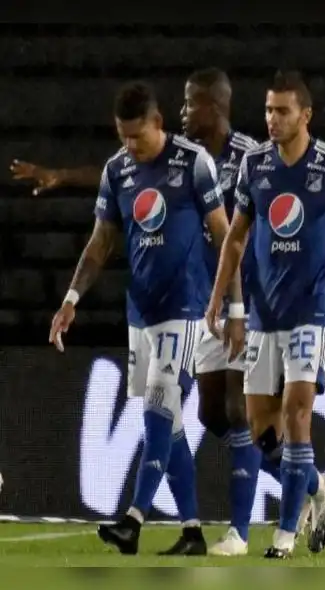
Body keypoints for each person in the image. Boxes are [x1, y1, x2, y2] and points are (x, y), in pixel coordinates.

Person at [12, 69, 322, 554]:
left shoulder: (247, 155)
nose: (182, 111)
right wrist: (66, 178)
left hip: (244, 299)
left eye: (190, 103)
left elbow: (263, 218)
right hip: (202, 301)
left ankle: (228, 531)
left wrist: (259, 294)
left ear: (215, 106)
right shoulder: (163, 158)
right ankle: (305, 485)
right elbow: (126, 181)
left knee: (236, 413)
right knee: (211, 416)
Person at [207, 70, 325, 559]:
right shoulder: (255, 167)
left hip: (312, 314)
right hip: (263, 315)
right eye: (269, 110)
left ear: (305, 115)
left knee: (296, 417)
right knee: (260, 432)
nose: (272, 119)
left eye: (283, 111)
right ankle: (318, 487)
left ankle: (285, 536)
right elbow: (236, 237)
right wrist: (219, 301)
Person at [48, 81, 240, 555]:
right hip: (140, 312)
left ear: (157, 123)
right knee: (167, 422)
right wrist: (72, 297)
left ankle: (133, 519)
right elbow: (100, 242)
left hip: (185, 307)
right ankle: (192, 530)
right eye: (122, 137)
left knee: (157, 407)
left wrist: (234, 307)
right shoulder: (117, 171)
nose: (128, 146)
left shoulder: (193, 162)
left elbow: (225, 237)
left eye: (136, 137)